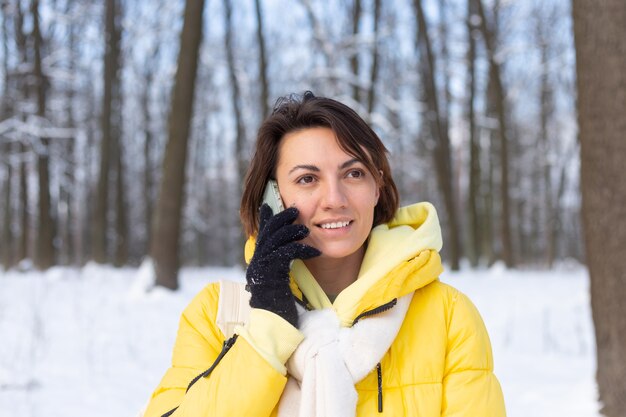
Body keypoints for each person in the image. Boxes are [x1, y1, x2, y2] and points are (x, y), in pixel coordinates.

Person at [143, 91, 506, 417]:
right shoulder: (217, 315)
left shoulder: (447, 316)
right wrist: (267, 326)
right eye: (307, 179)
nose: (334, 199)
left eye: (354, 173)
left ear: (377, 188)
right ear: (273, 196)